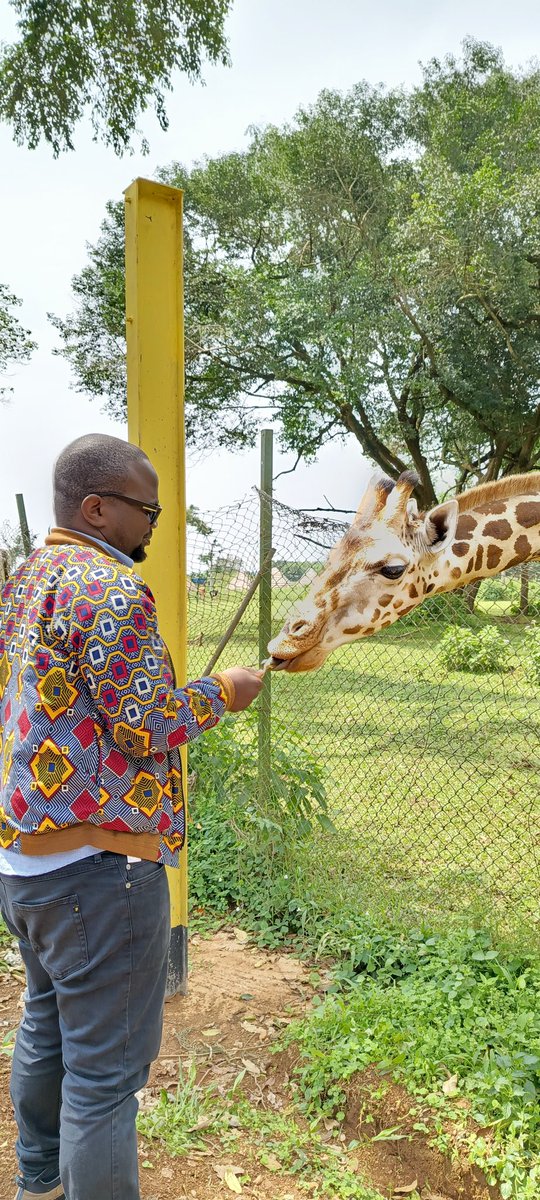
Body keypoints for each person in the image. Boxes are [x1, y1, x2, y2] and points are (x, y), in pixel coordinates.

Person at [0, 433, 263, 1200]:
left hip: (28, 867)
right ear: (96, 508)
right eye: (145, 509)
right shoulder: (111, 589)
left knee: (46, 1022)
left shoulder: (27, 576)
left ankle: (36, 1181)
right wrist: (226, 692)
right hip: (102, 875)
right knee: (108, 1080)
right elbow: (145, 725)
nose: (153, 523)